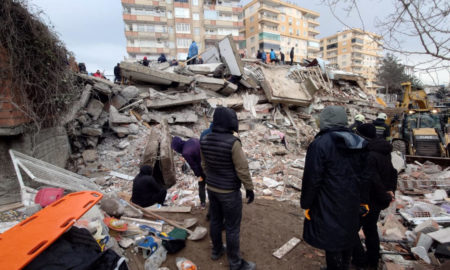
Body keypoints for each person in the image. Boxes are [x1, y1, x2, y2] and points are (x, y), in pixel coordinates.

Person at [301, 106, 368, 270]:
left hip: (328, 200)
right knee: (348, 233)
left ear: (325, 121)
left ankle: (335, 267)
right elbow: (366, 176)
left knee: (331, 238)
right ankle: (344, 265)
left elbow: (312, 178)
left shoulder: (320, 144)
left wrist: (307, 204)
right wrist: (364, 201)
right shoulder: (359, 142)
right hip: (352, 200)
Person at [200, 107, 256, 270]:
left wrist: (212, 179)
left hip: (212, 189)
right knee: (232, 228)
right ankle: (235, 263)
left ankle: (216, 251)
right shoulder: (233, 142)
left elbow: (204, 165)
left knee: (216, 221)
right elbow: (242, 169)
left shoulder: (205, 139)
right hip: (229, 193)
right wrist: (249, 188)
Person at [353, 124, 397, 270]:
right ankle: (373, 260)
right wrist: (390, 190)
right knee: (370, 229)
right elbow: (393, 172)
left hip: (369, 199)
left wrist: (365, 201)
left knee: (351, 230)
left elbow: (371, 179)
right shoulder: (384, 151)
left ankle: (360, 260)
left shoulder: (369, 155)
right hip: (378, 200)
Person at [171, 136, 207, 208]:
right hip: (210, 163)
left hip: (202, 169)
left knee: (201, 185)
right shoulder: (192, 139)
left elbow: (193, 165)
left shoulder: (185, 152)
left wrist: (198, 175)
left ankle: (203, 203)